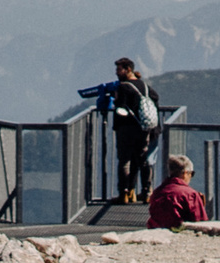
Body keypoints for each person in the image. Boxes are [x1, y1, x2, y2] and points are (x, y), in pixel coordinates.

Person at [77, 57, 161, 203]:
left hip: (126, 129)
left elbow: (121, 108)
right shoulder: (145, 86)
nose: (116, 72)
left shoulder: (123, 87)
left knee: (125, 161)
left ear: (128, 69)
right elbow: (155, 97)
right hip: (144, 129)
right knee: (144, 160)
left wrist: (114, 100)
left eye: (119, 69)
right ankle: (147, 192)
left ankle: (124, 193)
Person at [147, 153, 210, 230]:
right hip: (180, 234)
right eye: (191, 174)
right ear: (185, 173)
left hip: (157, 234)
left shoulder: (157, 192)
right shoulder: (191, 195)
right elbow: (200, 223)